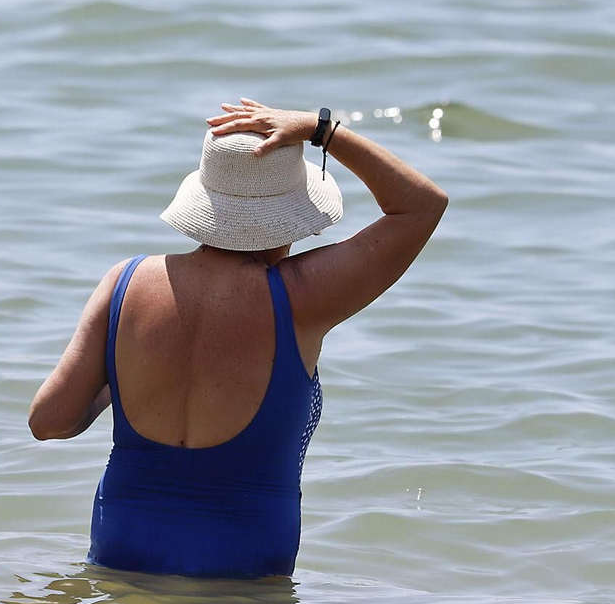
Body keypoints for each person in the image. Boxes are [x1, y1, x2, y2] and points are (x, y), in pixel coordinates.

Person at [28, 99, 447, 577]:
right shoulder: (303, 297)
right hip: (242, 571)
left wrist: (124, 378)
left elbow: (49, 421)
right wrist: (322, 129)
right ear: (292, 217)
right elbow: (422, 206)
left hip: (122, 556)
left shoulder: (125, 284)